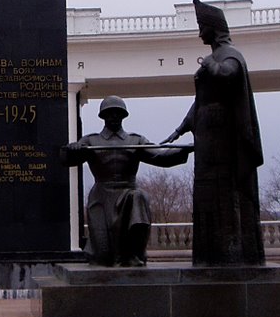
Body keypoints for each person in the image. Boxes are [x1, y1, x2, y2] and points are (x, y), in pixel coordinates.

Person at [163, 0, 266, 266]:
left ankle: (230, 256)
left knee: (225, 193)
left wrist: (212, 67)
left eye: (201, 27)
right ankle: (209, 255)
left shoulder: (230, 55)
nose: (199, 33)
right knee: (206, 193)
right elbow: (201, 101)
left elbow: (230, 76)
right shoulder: (213, 58)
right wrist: (180, 129)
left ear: (213, 27)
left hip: (223, 138)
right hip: (206, 137)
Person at [61, 96, 191, 266]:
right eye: (109, 113)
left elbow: (160, 156)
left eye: (118, 113)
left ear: (124, 115)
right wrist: (72, 149)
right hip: (101, 197)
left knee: (139, 197)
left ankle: (133, 254)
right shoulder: (91, 141)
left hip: (128, 194)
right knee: (103, 256)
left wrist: (183, 151)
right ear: (103, 116)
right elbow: (66, 161)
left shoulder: (135, 140)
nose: (114, 116)